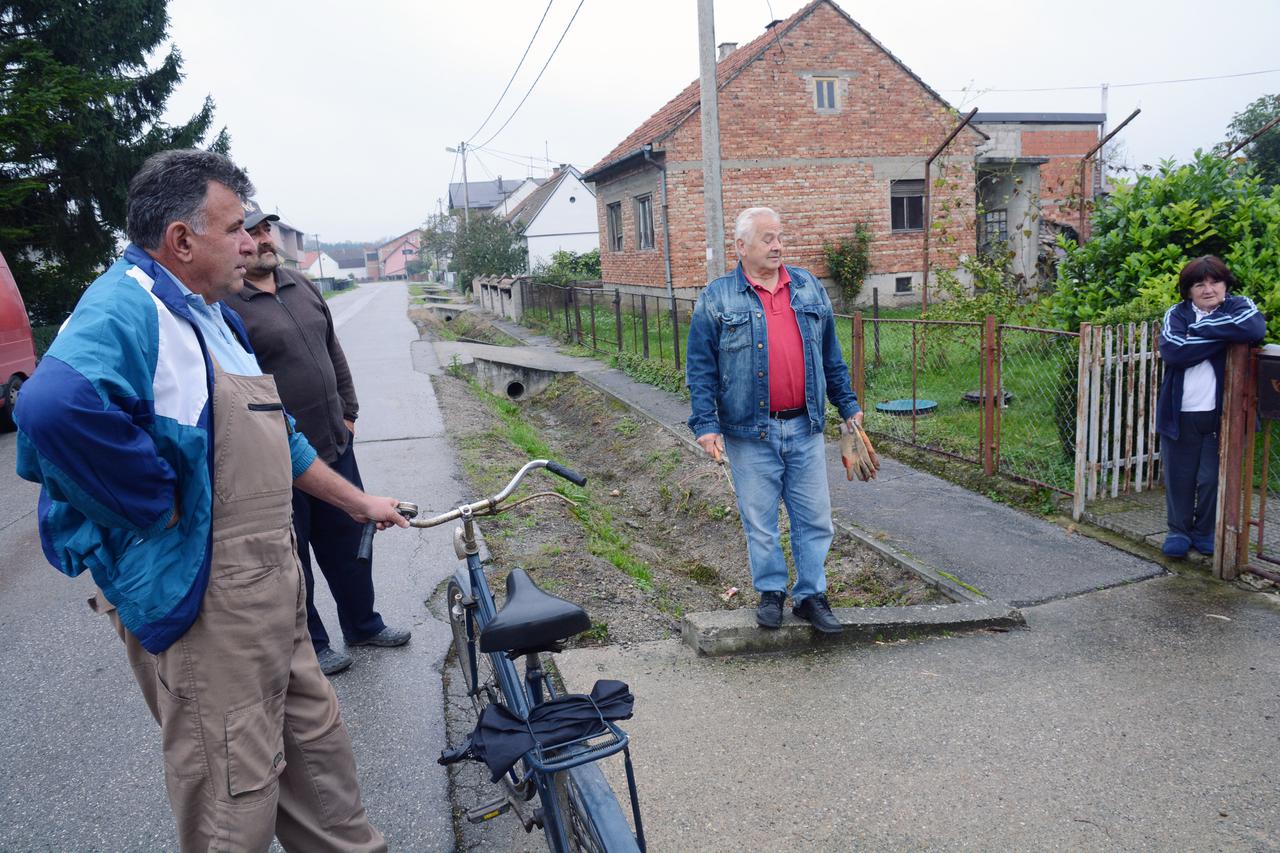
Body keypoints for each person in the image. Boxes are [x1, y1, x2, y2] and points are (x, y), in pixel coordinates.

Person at [14, 149, 408, 852]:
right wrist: (157, 504)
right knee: (235, 797)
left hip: (271, 592)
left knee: (321, 767)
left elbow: (276, 436)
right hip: (210, 608)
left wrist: (355, 500)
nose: (254, 242)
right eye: (235, 229)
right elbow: (51, 407)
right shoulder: (127, 304)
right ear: (181, 240)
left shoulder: (212, 314)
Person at [234, 200, 409, 676]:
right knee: (295, 559)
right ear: (237, 242)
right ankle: (314, 642)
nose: (265, 239)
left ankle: (364, 625)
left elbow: (334, 352)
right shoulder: (228, 304)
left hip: (334, 446)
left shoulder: (302, 285)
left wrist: (349, 414)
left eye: (268, 229)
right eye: (253, 231)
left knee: (350, 542)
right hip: (279, 462)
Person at [685, 206, 861, 634]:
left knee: (814, 518)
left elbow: (830, 356)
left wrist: (848, 405)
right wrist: (706, 424)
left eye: (779, 236)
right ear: (741, 246)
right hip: (749, 431)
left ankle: (811, 596)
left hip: (804, 427)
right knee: (760, 522)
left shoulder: (807, 287)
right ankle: (770, 592)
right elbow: (700, 366)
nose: (777, 245)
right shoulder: (718, 297)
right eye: (767, 238)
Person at [1156, 255, 1265, 558]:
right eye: (1198, 284)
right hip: (1181, 413)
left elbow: (1254, 327)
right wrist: (1225, 337)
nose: (1208, 289)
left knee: (1212, 478)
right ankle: (1178, 530)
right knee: (1180, 476)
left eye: (1215, 281)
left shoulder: (1240, 306)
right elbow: (1174, 352)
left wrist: (1200, 331)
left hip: (1224, 415)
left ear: (1225, 284)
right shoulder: (1176, 314)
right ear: (1188, 290)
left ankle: (1204, 531)